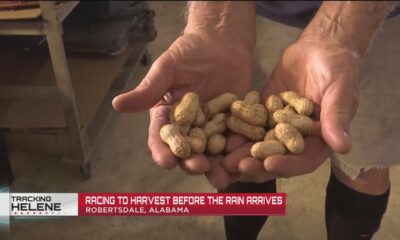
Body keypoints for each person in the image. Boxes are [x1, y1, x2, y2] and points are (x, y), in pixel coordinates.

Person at [112, 2, 399, 239]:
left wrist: (339, 30)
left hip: (372, 15)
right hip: (253, 15)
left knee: (363, 167)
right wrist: (217, 23)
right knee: (239, 160)